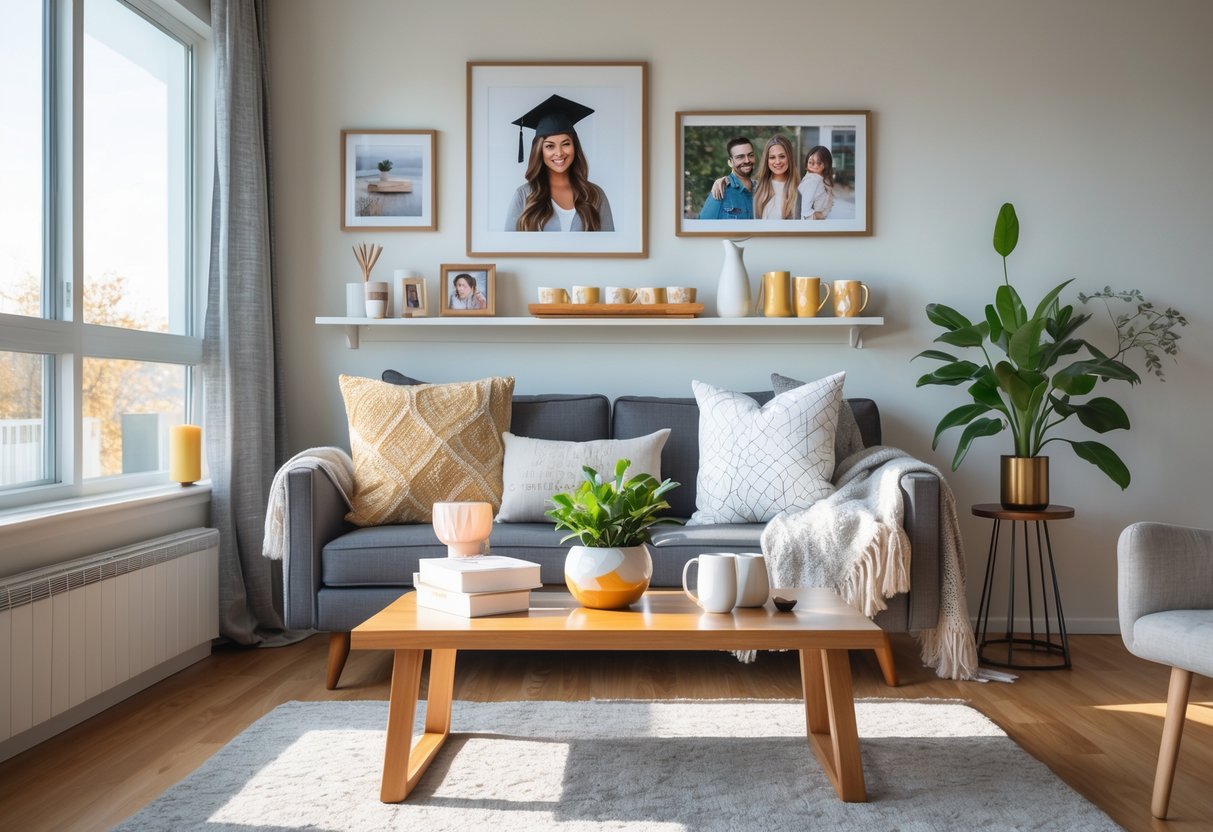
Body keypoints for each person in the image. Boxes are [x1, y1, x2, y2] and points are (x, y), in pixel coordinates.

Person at [503, 94, 614, 232]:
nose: (560, 153)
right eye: (550, 146)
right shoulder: (524, 195)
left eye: (566, 144)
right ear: (540, 151)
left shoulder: (594, 195)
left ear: (575, 146)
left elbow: (609, 249)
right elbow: (509, 249)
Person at [697, 136, 755, 219]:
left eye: (751, 155)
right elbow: (702, 227)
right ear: (730, 162)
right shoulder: (720, 190)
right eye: (740, 157)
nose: (747, 160)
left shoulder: (760, 189)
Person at [751, 134, 800, 220]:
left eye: (782, 156)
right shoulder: (756, 187)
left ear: (789, 158)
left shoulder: (800, 190)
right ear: (767, 160)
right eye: (772, 157)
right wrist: (723, 180)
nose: (777, 162)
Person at [798, 145, 836, 220]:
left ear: (826, 164)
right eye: (810, 162)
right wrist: (821, 215)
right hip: (810, 227)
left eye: (818, 162)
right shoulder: (813, 181)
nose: (814, 165)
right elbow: (805, 212)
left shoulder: (819, 179)